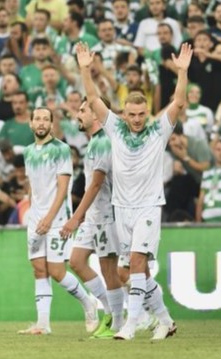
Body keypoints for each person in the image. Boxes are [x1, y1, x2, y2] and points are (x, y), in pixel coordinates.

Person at [77, 41, 183, 340]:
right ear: (123, 114)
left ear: (147, 113)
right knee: (133, 273)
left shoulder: (158, 131)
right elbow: (93, 98)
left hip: (149, 207)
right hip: (121, 209)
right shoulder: (115, 129)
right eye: (131, 114)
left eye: (141, 114)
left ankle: (131, 324)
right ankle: (165, 320)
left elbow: (178, 102)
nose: (136, 119)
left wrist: (182, 73)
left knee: (136, 263)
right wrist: (85, 69)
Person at [19, 106, 98, 335]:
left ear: (52, 124)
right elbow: (33, 186)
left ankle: (88, 303)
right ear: (31, 124)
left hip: (56, 219)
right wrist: (33, 213)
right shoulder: (28, 152)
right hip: (36, 219)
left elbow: (63, 188)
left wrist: (49, 217)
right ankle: (43, 324)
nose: (41, 122)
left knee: (56, 270)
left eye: (46, 119)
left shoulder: (61, 149)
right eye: (37, 119)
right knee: (38, 269)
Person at [60, 97, 125, 339]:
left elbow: (96, 184)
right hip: (93, 216)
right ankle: (110, 310)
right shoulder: (94, 143)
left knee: (110, 271)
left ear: (97, 114)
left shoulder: (104, 142)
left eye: (82, 110)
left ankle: (117, 323)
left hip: (107, 215)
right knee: (76, 260)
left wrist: (76, 217)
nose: (78, 115)